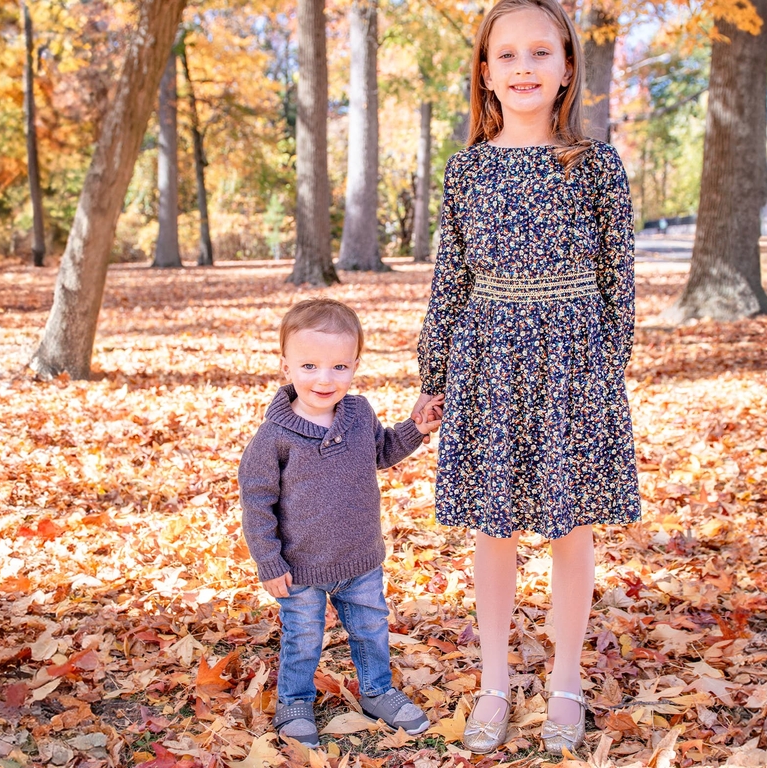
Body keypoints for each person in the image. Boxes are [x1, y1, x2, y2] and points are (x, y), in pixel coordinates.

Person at [411, 0, 642, 756]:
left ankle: (568, 681)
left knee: (572, 526)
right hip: (489, 358)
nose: (523, 68)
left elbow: (620, 279)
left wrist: (608, 367)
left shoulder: (597, 166)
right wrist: (435, 369)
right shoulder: (468, 169)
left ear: (568, 66)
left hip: (574, 358)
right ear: (485, 72)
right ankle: (495, 683)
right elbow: (451, 276)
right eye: (506, 55)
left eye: (541, 53)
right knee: (494, 526)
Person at [238, 298, 444, 747]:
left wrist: (415, 427)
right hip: (300, 566)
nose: (324, 379)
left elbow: (382, 451)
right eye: (309, 365)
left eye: (338, 366)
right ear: (285, 366)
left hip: (360, 556)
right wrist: (269, 563)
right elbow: (256, 502)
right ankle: (294, 700)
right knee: (304, 636)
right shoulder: (275, 437)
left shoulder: (357, 414)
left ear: (354, 366)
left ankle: (377, 689)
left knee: (371, 627)